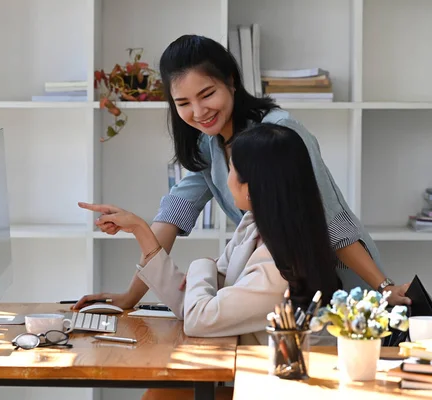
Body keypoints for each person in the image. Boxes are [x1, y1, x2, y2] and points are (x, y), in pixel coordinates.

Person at [75, 34, 409, 311]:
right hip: (281, 288)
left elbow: (331, 220)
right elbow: (174, 213)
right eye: (183, 103)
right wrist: (130, 297)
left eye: (207, 94)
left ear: (231, 82)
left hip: (339, 282)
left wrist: (382, 287)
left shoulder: (278, 132)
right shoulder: (208, 143)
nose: (198, 111)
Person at [78, 122, 341, 344]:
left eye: (232, 169)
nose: (226, 178)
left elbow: (199, 319)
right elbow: (190, 304)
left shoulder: (278, 268)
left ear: (253, 186)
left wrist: (201, 266)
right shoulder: (255, 226)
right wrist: (139, 229)